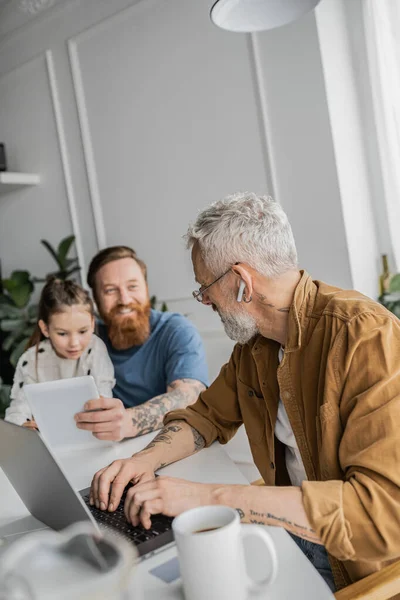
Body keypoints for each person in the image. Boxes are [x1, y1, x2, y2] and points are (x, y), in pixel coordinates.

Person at [90, 192, 400, 594]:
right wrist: (143, 461)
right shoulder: (255, 346)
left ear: (241, 281)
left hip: (361, 568)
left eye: (205, 287)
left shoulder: (368, 337)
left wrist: (208, 498)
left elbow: (381, 514)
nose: (204, 300)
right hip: (286, 535)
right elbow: (205, 416)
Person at [73, 246, 208, 441]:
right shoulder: (87, 339)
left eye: (133, 286)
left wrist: (128, 421)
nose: (125, 299)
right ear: (96, 300)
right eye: (110, 290)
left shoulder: (176, 330)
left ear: (146, 288)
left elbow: (189, 396)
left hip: (171, 445)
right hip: (106, 450)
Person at [5, 278, 115, 427]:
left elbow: (105, 394)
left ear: (92, 323)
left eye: (83, 331)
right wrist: (23, 426)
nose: (74, 343)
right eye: (62, 334)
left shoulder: (95, 347)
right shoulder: (31, 359)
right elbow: (18, 409)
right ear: (45, 329)